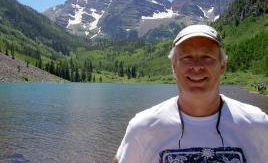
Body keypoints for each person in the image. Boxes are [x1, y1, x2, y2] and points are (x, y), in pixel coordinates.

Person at [113, 24, 268, 163]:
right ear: (173, 67)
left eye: (207, 57)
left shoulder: (258, 124)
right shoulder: (143, 127)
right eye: (187, 58)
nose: (196, 66)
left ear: (222, 66)